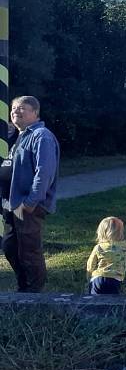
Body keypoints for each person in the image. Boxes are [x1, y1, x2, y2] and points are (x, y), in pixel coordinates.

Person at [2, 96, 60, 293]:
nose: (16, 111)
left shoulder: (41, 136)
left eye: (22, 108)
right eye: (14, 108)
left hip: (28, 205)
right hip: (11, 203)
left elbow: (44, 172)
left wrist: (31, 201)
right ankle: (23, 286)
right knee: (10, 246)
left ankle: (34, 295)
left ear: (35, 113)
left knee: (29, 251)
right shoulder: (18, 136)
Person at [86, 216, 126, 295]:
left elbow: (90, 265)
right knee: (113, 302)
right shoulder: (125, 245)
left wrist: (89, 277)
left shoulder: (99, 247)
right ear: (120, 232)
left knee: (93, 302)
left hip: (97, 278)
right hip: (115, 280)